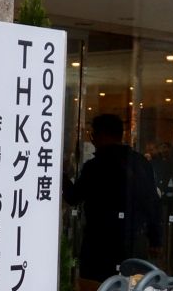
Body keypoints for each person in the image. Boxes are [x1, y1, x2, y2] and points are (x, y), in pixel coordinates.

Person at [63, 113, 162, 281]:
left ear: (101, 135)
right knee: (131, 290)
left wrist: (61, 174)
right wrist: (155, 238)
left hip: (99, 244)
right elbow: (152, 202)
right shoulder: (140, 163)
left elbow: (73, 197)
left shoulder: (95, 166)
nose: (92, 140)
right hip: (133, 242)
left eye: (93, 134)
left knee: (98, 290)